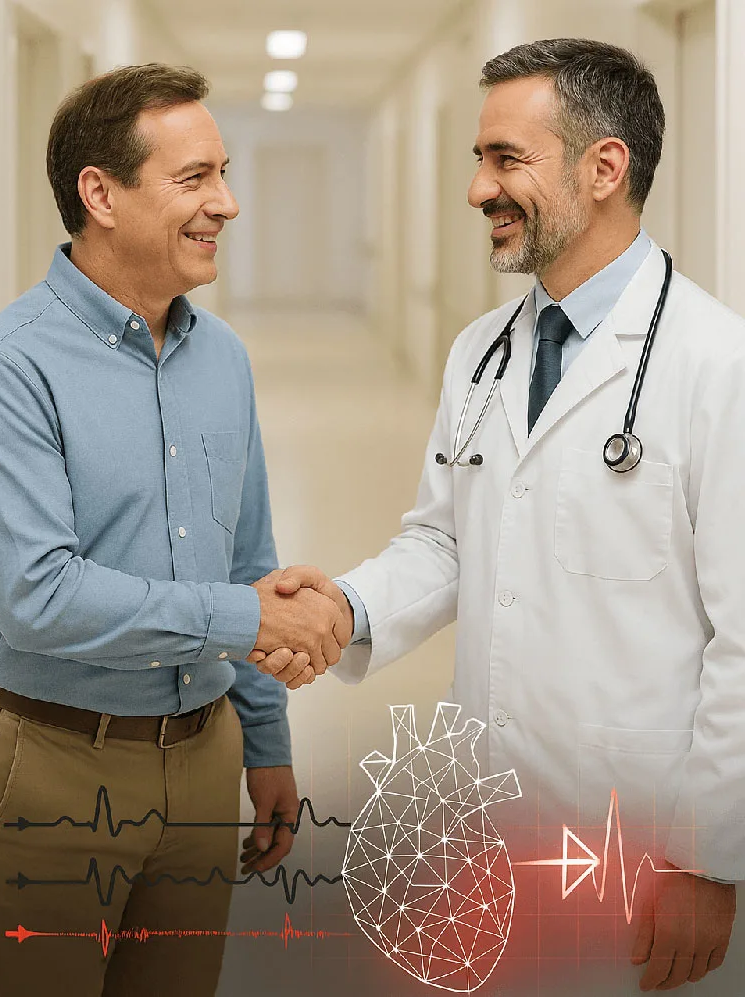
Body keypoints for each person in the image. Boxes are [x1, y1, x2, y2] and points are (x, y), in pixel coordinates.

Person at [253, 39, 745, 996]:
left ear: (605, 168)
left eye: (506, 159)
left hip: (640, 834)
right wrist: (347, 606)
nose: (479, 188)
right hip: (484, 816)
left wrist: (708, 854)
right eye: (479, 158)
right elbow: (447, 538)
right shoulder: (481, 353)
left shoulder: (716, 366)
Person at [0, 63, 348, 997]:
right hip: (55, 767)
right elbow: (38, 598)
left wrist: (266, 741)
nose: (227, 203)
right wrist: (249, 620)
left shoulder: (224, 360)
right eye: (194, 178)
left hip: (205, 760)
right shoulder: (7, 369)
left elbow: (248, 560)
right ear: (101, 195)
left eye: (224, 174)